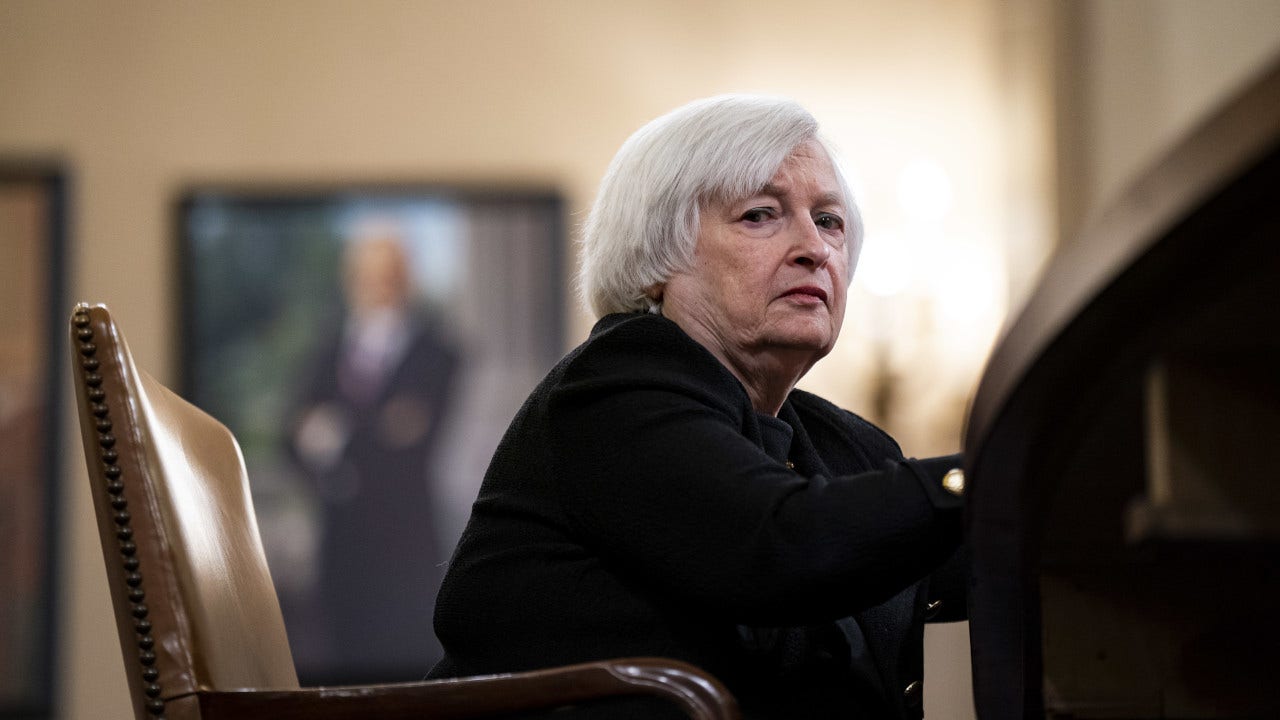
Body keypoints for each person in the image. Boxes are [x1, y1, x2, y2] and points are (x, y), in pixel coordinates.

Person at [430, 95, 967, 719]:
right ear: (657, 258)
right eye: (760, 215)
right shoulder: (613, 390)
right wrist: (981, 477)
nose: (815, 248)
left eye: (829, 221)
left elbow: (967, 563)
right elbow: (779, 545)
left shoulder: (846, 443)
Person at [286, 230, 460, 682]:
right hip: (340, 551)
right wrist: (373, 430)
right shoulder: (325, 351)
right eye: (367, 277)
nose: (377, 288)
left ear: (405, 281)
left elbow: (413, 435)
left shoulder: (437, 353)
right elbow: (292, 436)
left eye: (387, 277)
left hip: (406, 551)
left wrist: (333, 433)